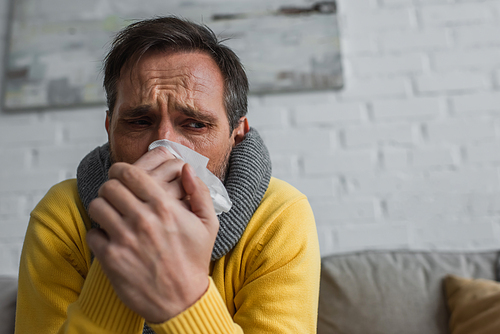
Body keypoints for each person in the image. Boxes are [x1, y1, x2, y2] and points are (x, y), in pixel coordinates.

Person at [15, 16, 320, 333]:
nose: (163, 148)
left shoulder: (279, 216)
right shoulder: (63, 214)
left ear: (237, 133)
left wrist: (184, 297)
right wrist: (123, 251)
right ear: (110, 129)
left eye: (195, 124)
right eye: (138, 122)